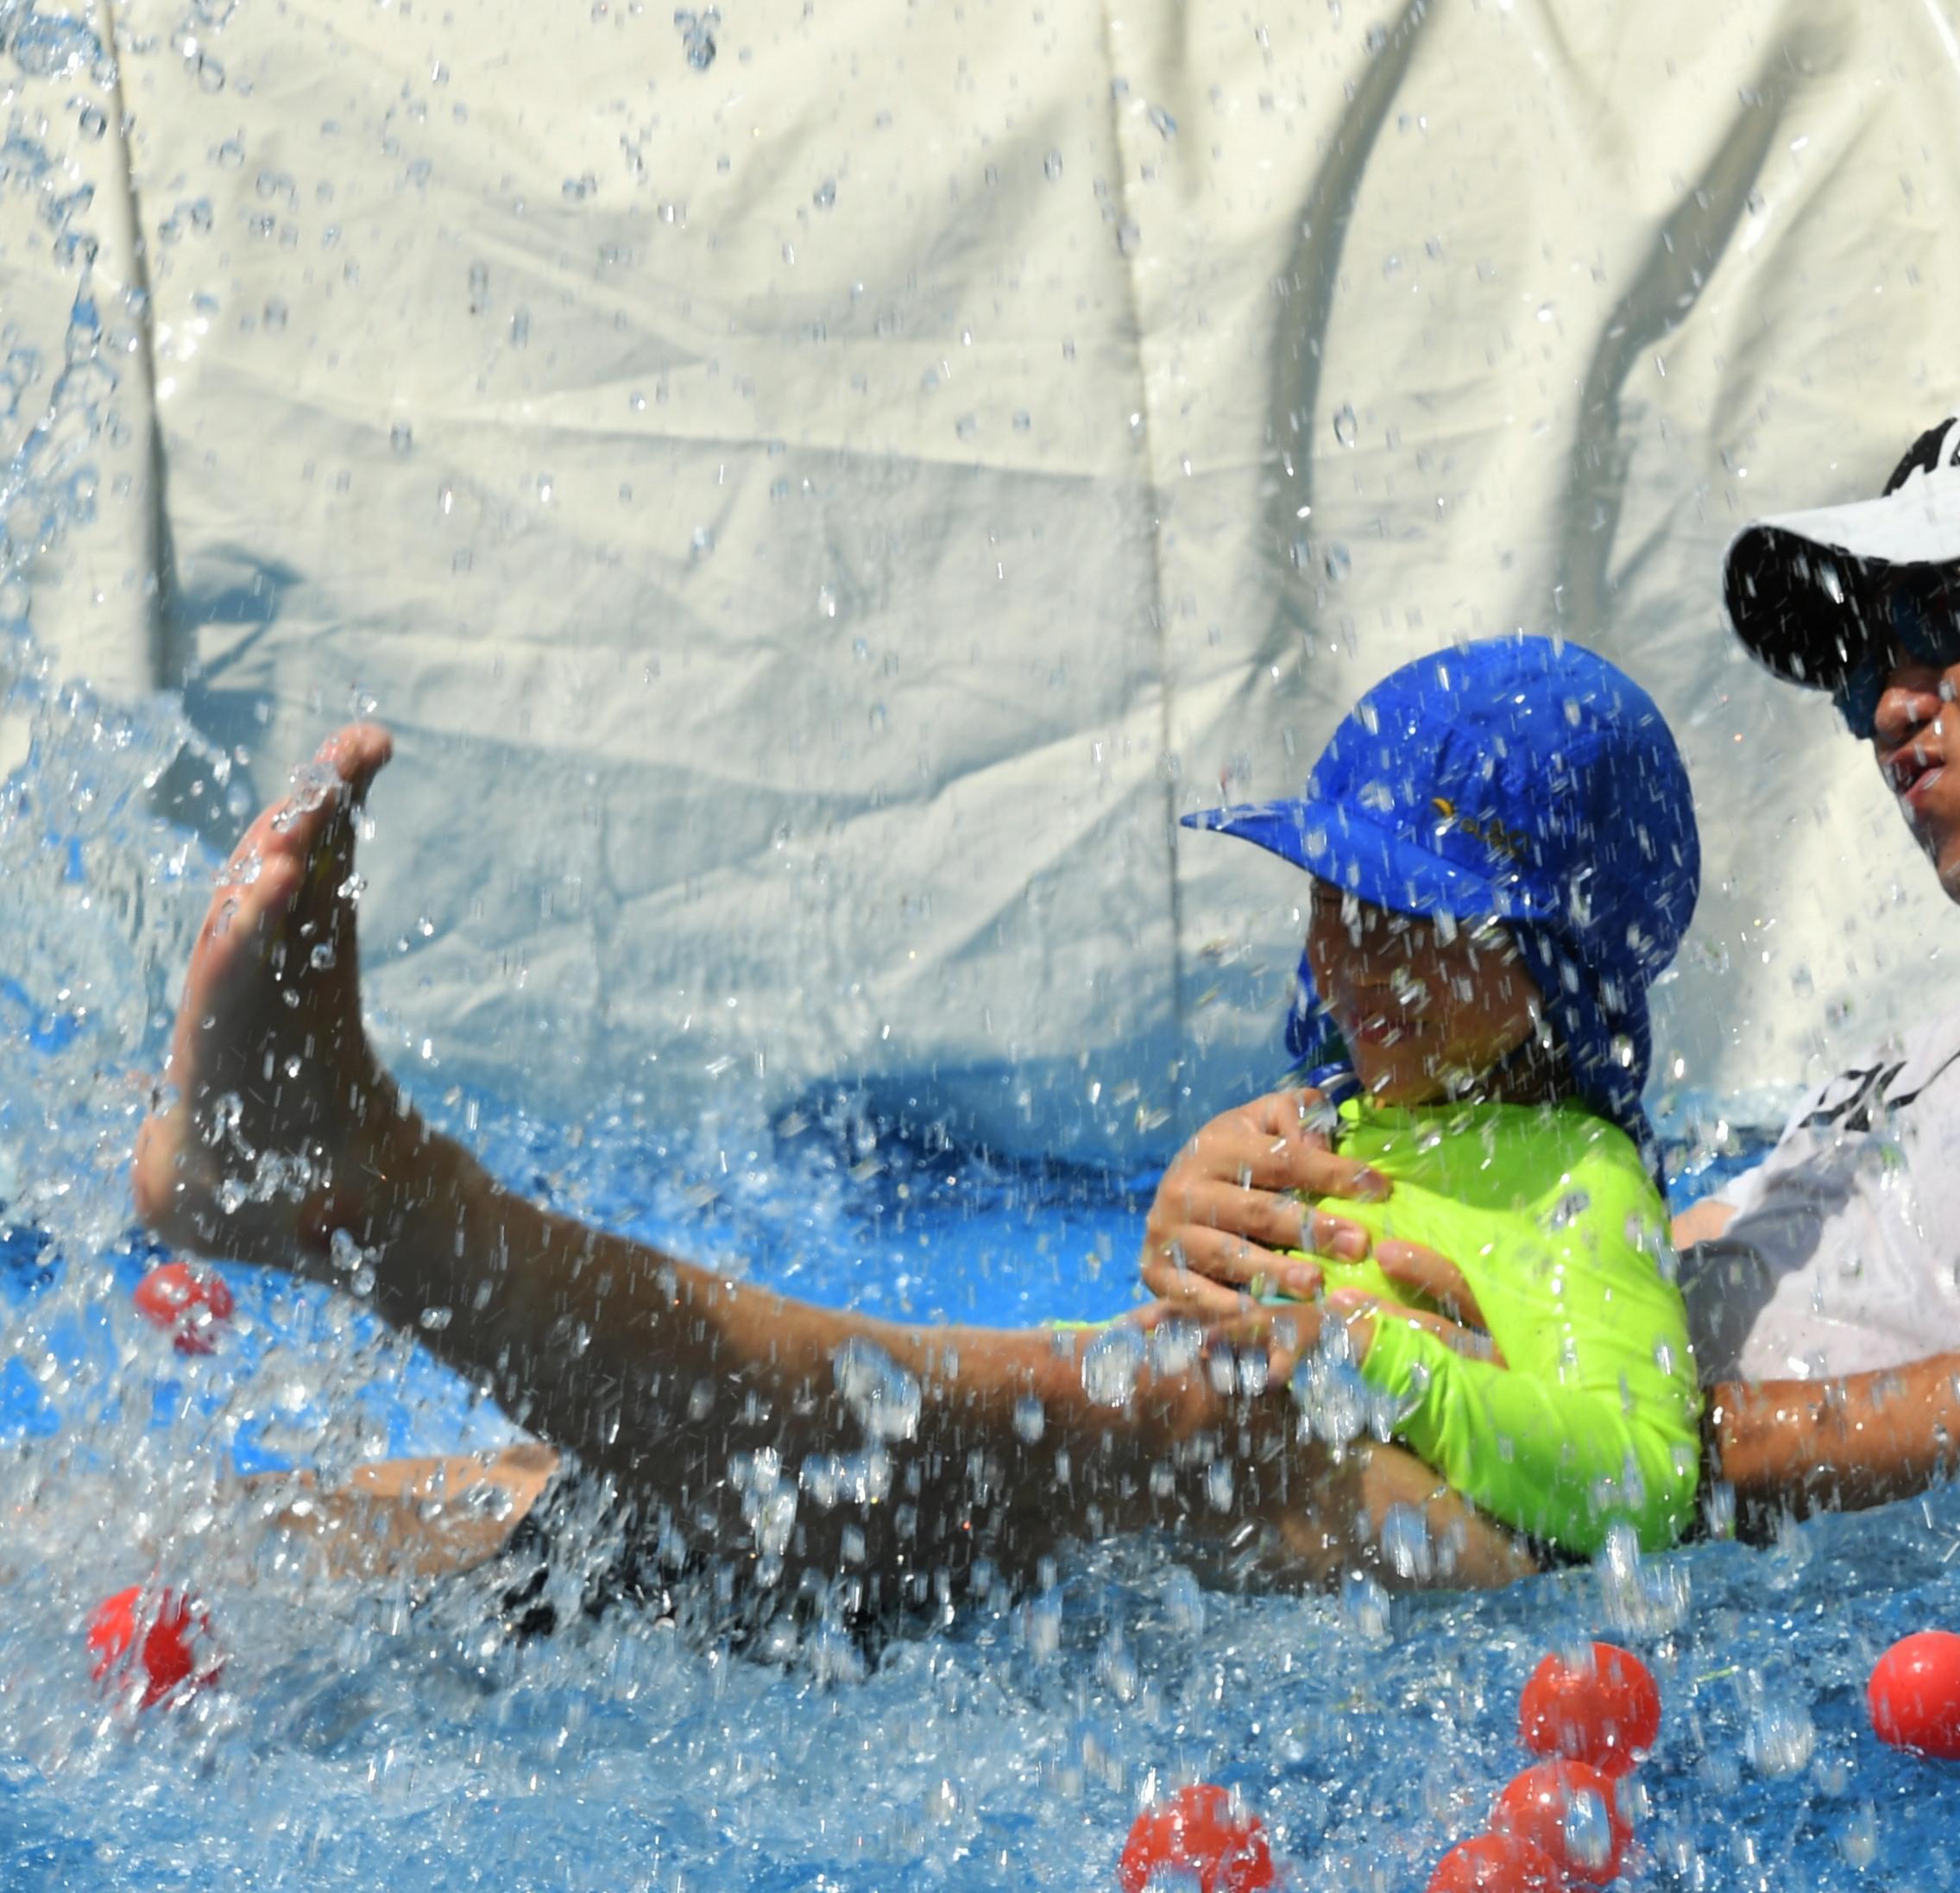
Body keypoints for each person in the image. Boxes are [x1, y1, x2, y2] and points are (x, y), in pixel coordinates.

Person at [1143, 377, 1960, 1524]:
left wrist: (1689, 1455)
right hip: (1594, 1530)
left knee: (1021, 1449)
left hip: (1663, 1551)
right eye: (1862, 661)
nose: (1890, 702)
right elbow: (1595, 1266)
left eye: (1945, 615)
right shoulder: (1908, 1060)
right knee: (1113, 1418)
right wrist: (1263, 1226)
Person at [134, 638, 1701, 1609]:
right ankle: (141, 1533)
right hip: (1077, 1535)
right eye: (1338, 910)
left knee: (886, 1434)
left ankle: (366, 1194)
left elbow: (1640, 1478)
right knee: (542, 1500)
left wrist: (1388, 1362)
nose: (1364, 964)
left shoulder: (1580, 1175)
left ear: (1558, 967)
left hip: (1241, 1557)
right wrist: (1188, 1242)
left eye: (1425, 927)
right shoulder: (1335, 1124)